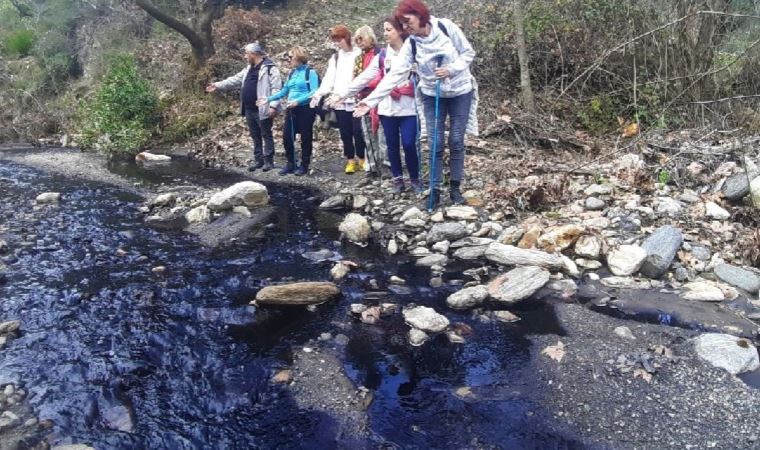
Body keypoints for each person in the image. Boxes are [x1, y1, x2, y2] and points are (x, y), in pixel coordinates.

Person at [354, 0, 477, 207]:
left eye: (408, 21)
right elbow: (394, 76)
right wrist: (370, 101)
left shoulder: (446, 27)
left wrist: (451, 69)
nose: (405, 27)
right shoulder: (411, 43)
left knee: (456, 140)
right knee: (435, 143)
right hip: (431, 93)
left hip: (459, 91)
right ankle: (435, 189)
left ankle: (455, 188)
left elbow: (468, 53)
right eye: (402, 24)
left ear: (420, 16)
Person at [341, 17, 422, 193]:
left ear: (400, 31)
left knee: (409, 144)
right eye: (384, 30)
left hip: (409, 108)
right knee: (391, 146)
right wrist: (342, 94)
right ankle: (398, 180)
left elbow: (424, 77)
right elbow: (365, 77)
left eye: (389, 30)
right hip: (387, 108)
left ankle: (415, 179)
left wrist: (415, 84)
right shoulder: (383, 56)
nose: (385, 33)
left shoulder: (414, 51)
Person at [206, 42, 282, 172]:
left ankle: (269, 162)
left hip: (262, 108)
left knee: (266, 134)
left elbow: (276, 88)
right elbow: (234, 80)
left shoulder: (270, 68)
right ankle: (259, 161)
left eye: (246, 53)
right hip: (248, 109)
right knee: (255, 135)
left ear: (253, 54)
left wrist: (273, 106)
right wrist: (217, 85)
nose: (245, 56)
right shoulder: (248, 68)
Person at [311, 25, 366, 174]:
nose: (337, 43)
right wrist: (320, 93)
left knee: (358, 131)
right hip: (339, 101)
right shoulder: (335, 57)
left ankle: (362, 158)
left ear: (347, 38)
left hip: (356, 99)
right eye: (335, 40)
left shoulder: (360, 54)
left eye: (339, 39)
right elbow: (329, 78)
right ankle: (350, 160)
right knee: (345, 132)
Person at [258, 46, 318, 176]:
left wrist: (298, 101)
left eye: (290, 57)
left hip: (305, 109)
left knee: (305, 138)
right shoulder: (292, 73)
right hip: (291, 109)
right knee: (287, 138)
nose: (288, 59)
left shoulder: (310, 72)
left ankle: (304, 165)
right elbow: (284, 91)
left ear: (298, 57)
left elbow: (314, 91)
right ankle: (291, 163)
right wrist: (268, 99)